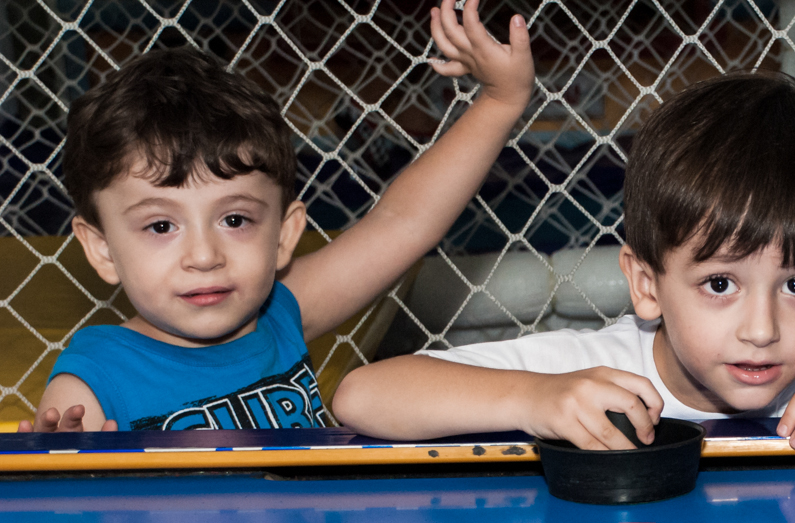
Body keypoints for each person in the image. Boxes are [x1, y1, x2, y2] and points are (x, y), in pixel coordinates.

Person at [332, 72, 795, 455]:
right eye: (720, 284)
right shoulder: (597, 374)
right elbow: (364, 395)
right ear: (646, 284)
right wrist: (536, 401)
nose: (761, 328)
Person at [22, 0, 532, 432]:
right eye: (161, 226)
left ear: (285, 234)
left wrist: (498, 101)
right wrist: (68, 476)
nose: (204, 256)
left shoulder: (279, 313)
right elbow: (64, 507)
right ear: (102, 249)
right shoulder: (94, 381)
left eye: (235, 220)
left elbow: (403, 223)